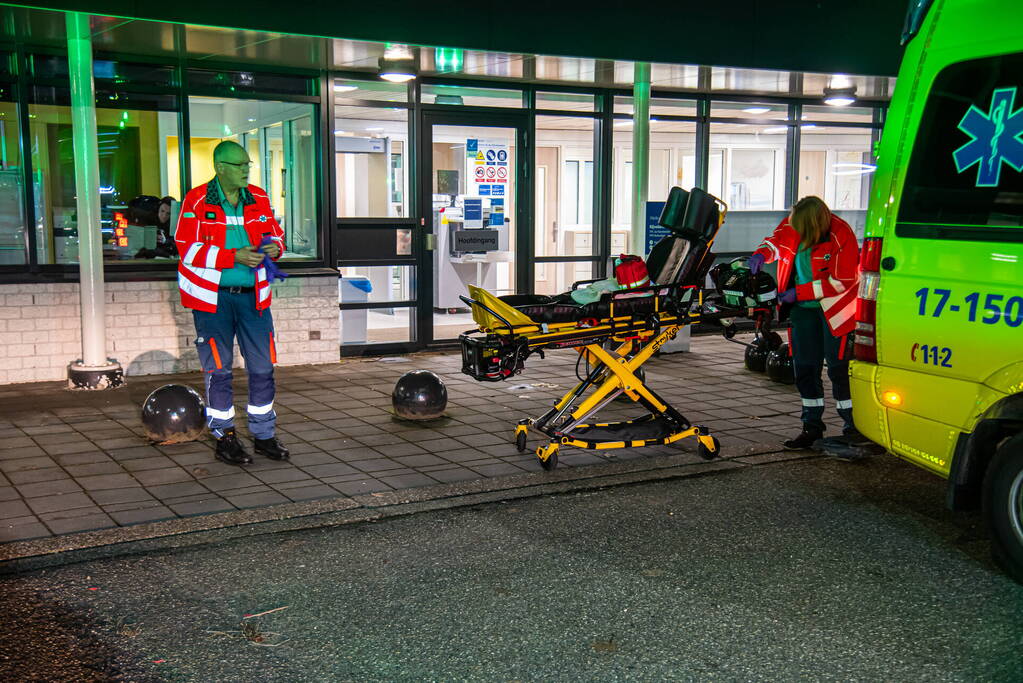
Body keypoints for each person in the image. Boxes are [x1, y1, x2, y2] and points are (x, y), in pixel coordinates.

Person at [174, 140, 290, 466]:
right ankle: (224, 437)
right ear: (220, 167)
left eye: (247, 165)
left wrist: (273, 248)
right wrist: (233, 256)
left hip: (254, 299)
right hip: (213, 302)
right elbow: (187, 248)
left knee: (263, 368)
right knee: (218, 370)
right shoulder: (196, 200)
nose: (246, 170)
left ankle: (264, 435)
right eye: (239, 165)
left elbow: (276, 235)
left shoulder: (260, 197)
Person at [748, 196, 860, 449]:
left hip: (835, 312)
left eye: (799, 227)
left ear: (813, 223)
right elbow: (775, 243)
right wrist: (761, 254)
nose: (794, 230)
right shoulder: (793, 224)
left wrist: (799, 292)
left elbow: (842, 281)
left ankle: (853, 428)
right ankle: (811, 427)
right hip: (802, 311)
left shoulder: (841, 234)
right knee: (805, 370)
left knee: (839, 370)